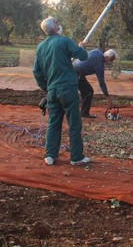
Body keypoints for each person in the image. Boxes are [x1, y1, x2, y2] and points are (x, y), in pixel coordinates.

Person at [32, 16, 90, 166]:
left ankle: (50, 155)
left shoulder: (41, 47)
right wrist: (82, 46)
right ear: (54, 28)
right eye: (57, 22)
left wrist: (47, 88)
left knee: (53, 122)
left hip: (52, 90)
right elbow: (83, 56)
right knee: (74, 123)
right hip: (68, 88)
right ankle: (76, 157)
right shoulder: (64, 41)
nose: (59, 24)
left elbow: (36, 72)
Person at [73, 48, 116, 118]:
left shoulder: (97, 51)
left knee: (86, 91)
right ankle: (84, 113)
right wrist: (107, 96)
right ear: (107, 57)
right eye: (111, 60)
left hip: (74, 68)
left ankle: (83, 112)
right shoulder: (99, 63)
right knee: (88, 91)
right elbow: (101, 82)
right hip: (76, 72)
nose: (110, 62)